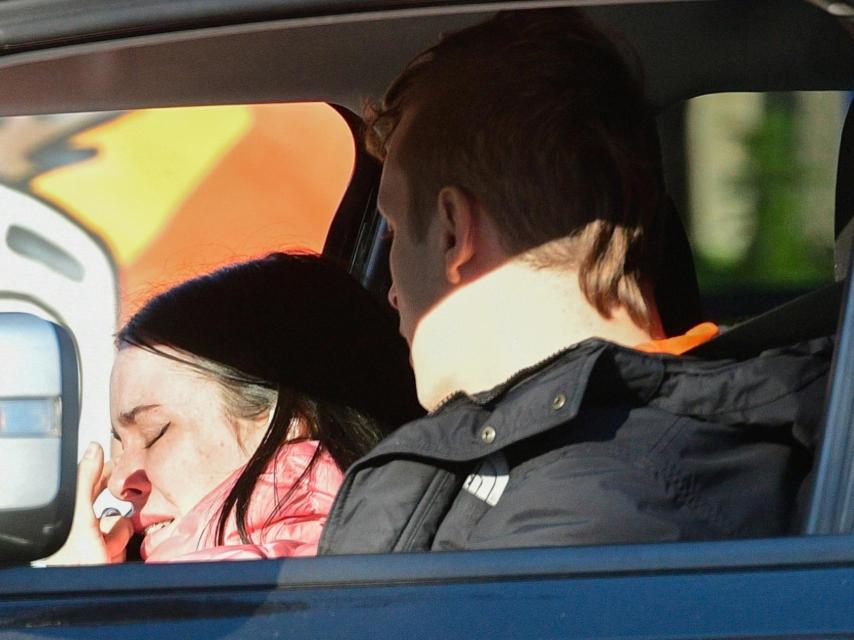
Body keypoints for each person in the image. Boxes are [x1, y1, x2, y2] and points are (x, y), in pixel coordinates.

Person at [317, 9, 832, 554]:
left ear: (452, 233)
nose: (391, 293)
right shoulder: (648, 465)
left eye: (393, 229)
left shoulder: (602, 505)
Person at [46, 252, 421, 564]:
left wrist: (77, 602)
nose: (117, 481)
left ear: (287, 421)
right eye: (120, 443)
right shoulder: (368, 551)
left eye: (155, 433)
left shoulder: (250, 589)